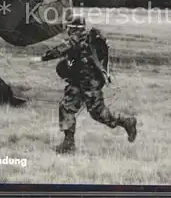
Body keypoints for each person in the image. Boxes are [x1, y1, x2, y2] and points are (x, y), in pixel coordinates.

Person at [36, 15, 137, 154]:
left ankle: (127, 122)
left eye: (68, 27)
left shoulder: (78, 38)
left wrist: (42, 58)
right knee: (66, 107)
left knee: (99, 114)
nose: (67, 30)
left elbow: (60, 50)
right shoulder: (82, 39)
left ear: (74, 28)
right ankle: (68, 144)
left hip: (90, 84)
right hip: (78, 82)